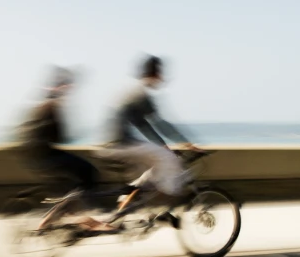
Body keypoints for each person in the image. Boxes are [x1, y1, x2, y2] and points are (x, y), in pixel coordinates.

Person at [102, 55, 205, 215]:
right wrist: (187, 143)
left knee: (157, 165)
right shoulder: (141, 94)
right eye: (160, 73)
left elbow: (143, 124)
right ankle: (166, 205)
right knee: (169, 160)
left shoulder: (134, 92)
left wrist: (161, 144)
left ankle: (125, 200)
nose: (162, 77)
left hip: (113, 141)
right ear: (155, 74)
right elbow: (159, 123)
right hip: (119, 142)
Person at [16, 66, 115, 232]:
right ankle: (69, 217)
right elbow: (60, 137)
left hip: (33, 156)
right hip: (45, 156)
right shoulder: (54, 105)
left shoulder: (42, 104)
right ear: (62, 86)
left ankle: (75, 216)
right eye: (67, 85)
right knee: (88, 171)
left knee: (70, 186)